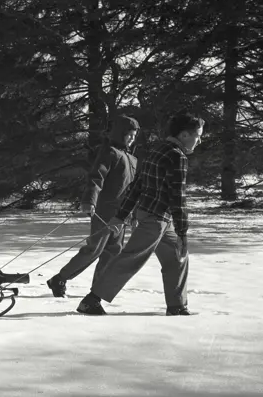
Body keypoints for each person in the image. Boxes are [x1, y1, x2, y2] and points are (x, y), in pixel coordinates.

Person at [76, 110, 205, 316]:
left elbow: (137, 186)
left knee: (177, 257)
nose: (199, 140)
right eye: (197, 136)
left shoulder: (158, 149)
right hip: (155, 220)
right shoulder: (177, 156)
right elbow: (178, 197)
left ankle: (177, 306)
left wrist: (121, 215)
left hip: (154, 217)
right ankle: (91, 301)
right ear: (184, 135)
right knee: (130, 259)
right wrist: (183, 231)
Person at [47, 115, 139, 297]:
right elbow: (96, 177)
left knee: (114, 251)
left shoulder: (132, 159)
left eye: (134, 135)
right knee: (94, 250)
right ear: (120, 133)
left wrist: (134, 214)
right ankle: (60, 278)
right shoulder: (110, 152)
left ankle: (97, 290)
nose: (132, 138)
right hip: (104, 212)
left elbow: (132, 190)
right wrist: (90, 200)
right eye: (129, 134)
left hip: (121, 214)